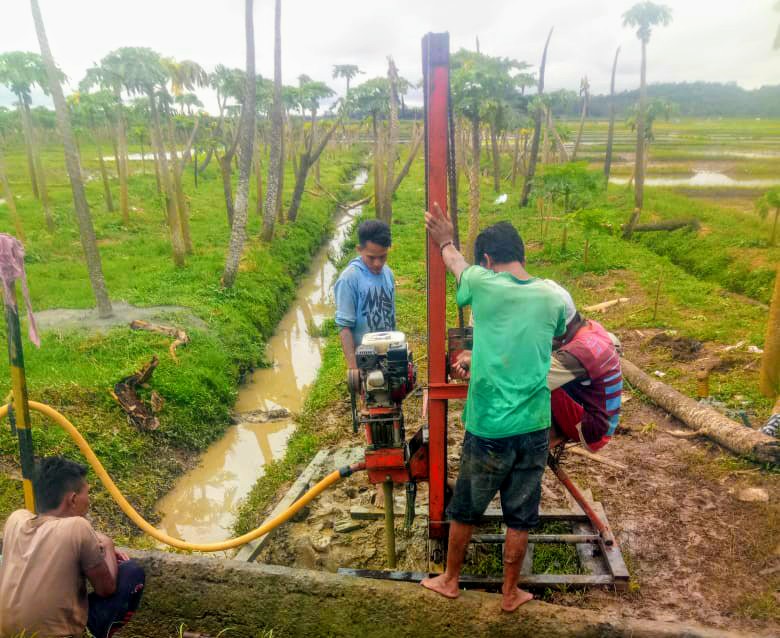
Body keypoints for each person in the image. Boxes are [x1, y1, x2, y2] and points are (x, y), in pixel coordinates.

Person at [421, 205, 566, 612]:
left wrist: (445, 238)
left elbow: (454, 261)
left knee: (466, 505)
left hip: (490, 428)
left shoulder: (483, 284)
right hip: (535, 424)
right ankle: (510, 592)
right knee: (520, 514)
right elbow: (551, 338)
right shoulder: (553, 295)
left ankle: (450, 580)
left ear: (487, 260)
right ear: (521, 254)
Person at [453, 279, 622, 452]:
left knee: (531, 386)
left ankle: (528, 443)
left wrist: (481, 363)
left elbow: (522, 379)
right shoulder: (590, 329)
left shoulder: (574, 356)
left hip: (591, 429)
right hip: (599, 415)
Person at [0, 456, 145, 638]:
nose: (89, 500)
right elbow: (106, 589)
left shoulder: (16, 520)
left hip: (8, 633)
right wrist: (107, 544)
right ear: (73, 499)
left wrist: (92, 539)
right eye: (87, 493)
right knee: (132, 572)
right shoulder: (78, 526)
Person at [334, 219, 396, 371]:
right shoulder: (349, 279)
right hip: (364, 360)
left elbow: (390, 315)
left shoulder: (388, 273)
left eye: (382, 256)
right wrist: (353, 367)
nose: (377, 263)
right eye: (371, 257)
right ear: (359, 249)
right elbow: (345, 327)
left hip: (389, 355)